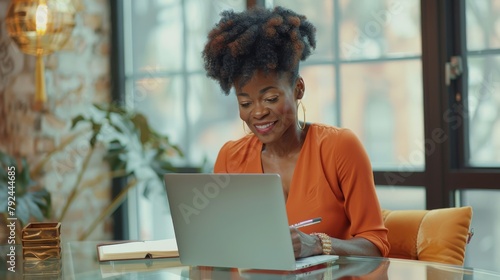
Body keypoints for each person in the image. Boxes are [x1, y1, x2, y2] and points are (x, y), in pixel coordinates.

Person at [202, 6, 390, 259]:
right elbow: (220, 243)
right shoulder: (230, 157)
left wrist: (315, 244)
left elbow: (375, 246)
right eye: (245, 103)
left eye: (270, 98)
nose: (257, 113)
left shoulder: (339, 148)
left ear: (298, 89)